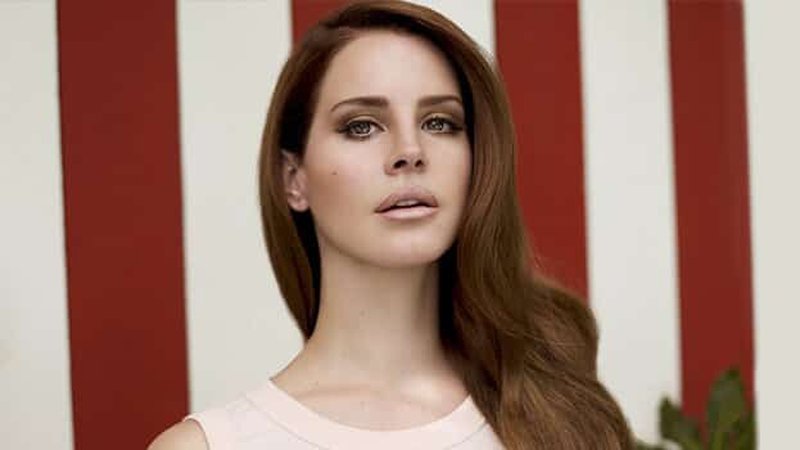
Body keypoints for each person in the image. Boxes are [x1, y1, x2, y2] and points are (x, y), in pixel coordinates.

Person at [149, 1, 634, 449]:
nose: (410, 151)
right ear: (294, 178)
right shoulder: (206, 446)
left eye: (440, 122)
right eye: (361, 126)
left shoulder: (558, 416)